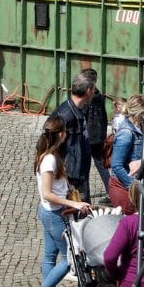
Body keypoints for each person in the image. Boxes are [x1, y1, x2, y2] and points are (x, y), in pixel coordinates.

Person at [26, 115, 92, 287]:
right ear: (61, 134)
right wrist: (75, 203)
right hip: (54, 215)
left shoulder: (45, 155)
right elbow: (48, 193)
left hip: (48, 212)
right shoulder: (49, 160)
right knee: (69, 260)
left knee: (49, 257)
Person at [54, 73, 95, 201]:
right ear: (88, 91)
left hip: (79, 171)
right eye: (94, 89)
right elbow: (46, 143)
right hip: (71, 175)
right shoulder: (66, 115)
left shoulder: (79, 110)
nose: (95, 92)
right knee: (75, 215)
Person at [109, 94, 144, 213]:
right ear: (140, 113)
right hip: (123, 187)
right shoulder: (127, 133)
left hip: (133, 183)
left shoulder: (138, 127)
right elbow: (116, 165)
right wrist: (133, 186)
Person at [81, 67, 111, 199]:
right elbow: (104, 116)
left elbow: (82, 116)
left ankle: (84, 194)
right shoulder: (99, 95)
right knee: (101, 165)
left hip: (87, 136)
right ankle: (111, 192)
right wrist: (103, 133)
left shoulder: (86, 97)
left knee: (83, 166)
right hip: (98, 135)